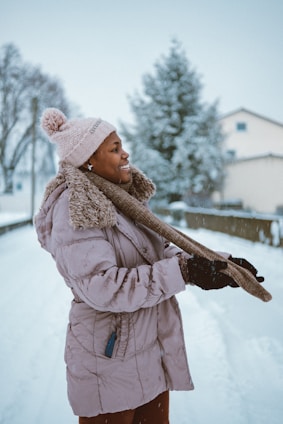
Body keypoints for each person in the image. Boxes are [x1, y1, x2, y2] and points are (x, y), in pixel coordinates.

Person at [35, 108, 265, 424]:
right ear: (89, 160)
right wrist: (185, 272)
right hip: (109, 358)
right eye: (114, 149)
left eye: (121, 145)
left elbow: (157, 254)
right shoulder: (75, 207)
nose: (125, 152)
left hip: (148, 351)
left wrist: (217, 265)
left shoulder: (121, 200)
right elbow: (103, 287)